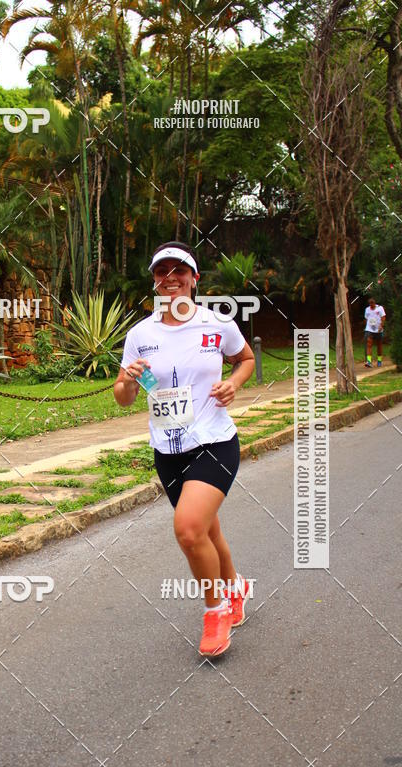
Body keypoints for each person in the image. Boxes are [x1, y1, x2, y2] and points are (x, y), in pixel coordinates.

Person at [114, 241, 255, 657]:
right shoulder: (140, 335)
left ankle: (216, 612)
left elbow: (245, 358)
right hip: (168, 449)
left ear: (195, 279)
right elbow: (123, 397)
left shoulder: (216, 325)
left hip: (214, 441)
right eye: (162, 272)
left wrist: (235, 383)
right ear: (155, 280)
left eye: (180, 271)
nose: (170, 278)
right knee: (207, 530)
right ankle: (236, 587)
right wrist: (127, 381)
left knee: (189, 529)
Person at [364, 297, 386, 367]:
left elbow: (383, 317)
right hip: (369, 329)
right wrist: (367, 326)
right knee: (369, 344)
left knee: (379, 345)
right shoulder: (367, 309)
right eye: (370, 304)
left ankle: (379, 360)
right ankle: (369, 361)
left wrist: (381, 326)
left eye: (372, 304)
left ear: (374, 303)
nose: (371, 306)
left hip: (378, 330)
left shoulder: (380, 308)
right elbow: (366, 318)